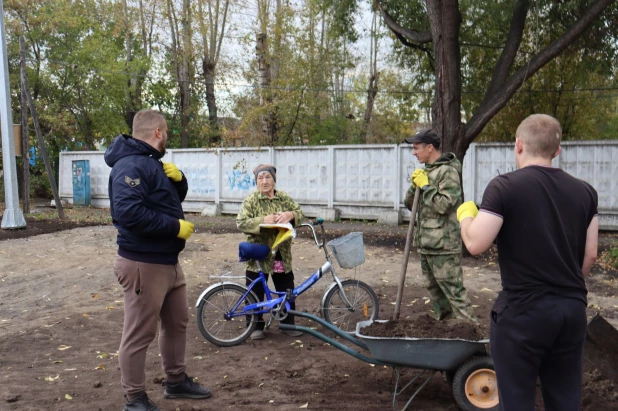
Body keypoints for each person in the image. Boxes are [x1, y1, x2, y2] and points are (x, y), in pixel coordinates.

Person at [457, 114, 598, 411]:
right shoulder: (586, 192)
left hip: (523, 313)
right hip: (571, 311)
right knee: (564, 398)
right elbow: (590, 255)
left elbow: (475, 244)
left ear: (518, 144)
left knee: (518, 399)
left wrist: (466, 215)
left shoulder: (504, 187)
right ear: (556, 151)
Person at [105, 109, 211, 411]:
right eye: (166, 133)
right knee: (139, 332)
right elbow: (127, 213)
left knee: (177, 322)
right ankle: (134, 398)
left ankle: (176, 381)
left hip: (167, 261)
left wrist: (180, 181)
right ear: (157, 133)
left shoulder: (151, 163)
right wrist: (174, 227)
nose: (167, 138)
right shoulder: (131, 165)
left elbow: (165, 199)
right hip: (143, 263)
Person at [403, 129, 476, 322]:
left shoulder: (448, 171)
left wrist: (426, 187)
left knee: (454, 294)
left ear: (429, 147)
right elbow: (410, 205)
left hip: (444, 245)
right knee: (438, 297)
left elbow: (444, 205)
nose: (413, 152)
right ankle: (448, 335)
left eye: (416, 148)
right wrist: (414, 186)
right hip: (427, 244)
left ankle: (476, 342)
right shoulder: (426, 171)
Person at [236, 164, 305, 340]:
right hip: (258, 254)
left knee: (286, 289)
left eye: (268, 177)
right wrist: (262, 220)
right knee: (255, 290)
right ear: (256, 182)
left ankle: (287, 323)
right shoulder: (251, 200)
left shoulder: (283, 198)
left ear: (274, 180)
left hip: (280, 253)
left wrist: (290, 215)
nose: (265, 181)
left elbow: (300, 213)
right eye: (261, 178)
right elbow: (241, 223)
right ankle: (254, 326)